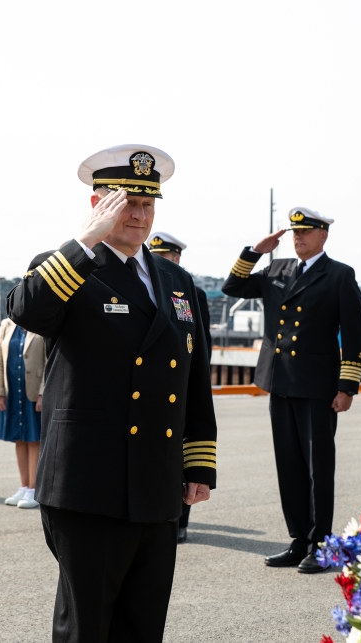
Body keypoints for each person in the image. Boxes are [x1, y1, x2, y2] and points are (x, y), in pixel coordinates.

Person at [7, 144, 217, 642]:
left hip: (156, 480)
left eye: (148, 205)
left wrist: (198, 465)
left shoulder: (176, 280)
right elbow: (27, 311)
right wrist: (83, 243)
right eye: (127, 203)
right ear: (99, 204)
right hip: (88, 484)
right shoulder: (69, 267)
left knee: (143, 626)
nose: (139, 216)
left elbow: (193, 378)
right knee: (86, 628)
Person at [222, 207, 361, 574]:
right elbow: (233, 287)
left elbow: (354, 333)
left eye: (306, 232)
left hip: (317, 387)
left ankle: (321, 544)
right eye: (294, 233)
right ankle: (298, 539)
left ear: (323, 235)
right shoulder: (276, 269)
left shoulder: (338, 275)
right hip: (280, 381)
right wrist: (256, 250)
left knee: (319, 467)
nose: (298, 238)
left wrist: (347, 385)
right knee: (288, 465)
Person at [148, 230, 211, 544]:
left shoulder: (189, 291)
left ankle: (181, 519)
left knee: (184, 457)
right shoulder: (141, 287)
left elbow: (201, 347)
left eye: (166, 256)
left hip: (181, 386)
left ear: (177, 258)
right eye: (156, 255)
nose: (161, 261)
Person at [0, 317, 46, 509]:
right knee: (19, 439)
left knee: (34, 440)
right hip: (12, 391)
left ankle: (34, 489)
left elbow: (49, 361)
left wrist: (43, 393)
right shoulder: (7, 325)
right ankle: (24, 486)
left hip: (33, 392)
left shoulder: (42, 322)